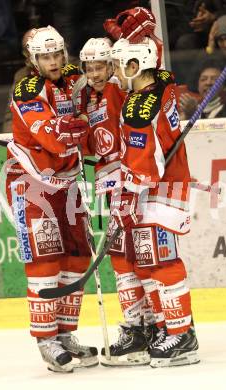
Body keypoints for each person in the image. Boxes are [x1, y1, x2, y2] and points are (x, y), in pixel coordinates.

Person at [5, 26, 98, 373]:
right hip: (32, 183)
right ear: (33, 59)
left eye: (58, 54)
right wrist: (69, 130)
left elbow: (105, 90)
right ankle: (46, 339)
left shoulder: (74, 77)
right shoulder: (27, 89)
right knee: (45, 259)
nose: (55, 61)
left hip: (69, 182)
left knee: (77, 256)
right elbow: (54, 139)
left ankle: (66, 333)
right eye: (46, 56)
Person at [110, 37, 200, 368]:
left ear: (135, 66)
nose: (116, 71)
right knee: (153, 261)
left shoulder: (138, 107)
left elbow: (146, 162)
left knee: (163, 262)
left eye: (121, 64)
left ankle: (182, 335)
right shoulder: (163, 85)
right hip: (165, 188)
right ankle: (168, 326)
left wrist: (128, 192)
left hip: (156, 192)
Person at [80, 36, 167, 367]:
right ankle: (138, 326)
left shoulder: (121, 87)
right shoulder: (87, 93)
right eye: (89, 67)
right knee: (121, 257)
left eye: (103, 65)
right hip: (109, 182)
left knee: (139, 255)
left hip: (130, 180)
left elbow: (153, 74)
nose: (96, 72)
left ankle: (150, 325)